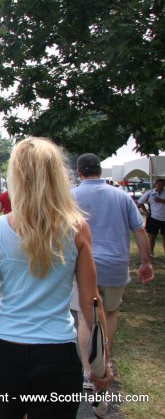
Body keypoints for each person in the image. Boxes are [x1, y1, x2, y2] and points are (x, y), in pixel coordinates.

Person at [0, 137, 112, 418]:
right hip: (58, 352)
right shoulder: (77, 229)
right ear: (57, 175)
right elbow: (91, 303)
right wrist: (101, 362)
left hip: (6, 351)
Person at [72, 153, 154, 388]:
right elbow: (139, 230)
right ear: (100, 170)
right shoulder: (121, 195)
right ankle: (103, 361)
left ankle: (88, 371)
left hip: (83, 266)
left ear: (79, 172)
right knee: (109, 313)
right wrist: (145, 261)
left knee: (85, 318)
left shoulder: (72, 196)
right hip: (116, 264)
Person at [138, 178, 165, 257]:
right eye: (159, 184)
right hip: (153, 217)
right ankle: (150, 253)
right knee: (152, 236)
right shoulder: (150, 193)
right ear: (155, 185)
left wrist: (161, 200)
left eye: (162, 185)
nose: (160, 186)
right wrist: (146, 212)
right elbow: (140, 202)